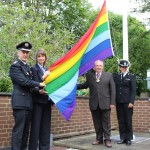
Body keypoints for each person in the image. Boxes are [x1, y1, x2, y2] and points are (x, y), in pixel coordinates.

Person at [9, 42, 46, 150]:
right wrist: (39, 84)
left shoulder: (26, 67)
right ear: (18, 53)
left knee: (25, 132)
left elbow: (30, 85)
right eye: (23, 52)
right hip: (20, 104)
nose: (25, 54)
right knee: (18, 131)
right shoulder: (15, 66)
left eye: (27, 53)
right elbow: (24, 82)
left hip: (28, 104)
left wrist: (39, 91)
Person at [77, 60, 116, 148]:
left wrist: (112, 102)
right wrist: (73, 86)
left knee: (106, 123)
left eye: (100, 65)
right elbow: (84, 85)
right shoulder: (90, 76)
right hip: (94, 103)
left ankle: (107, 139)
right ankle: (99, 139)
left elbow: (113, 90)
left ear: (103, 66)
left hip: (106, 103)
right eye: (97, 65)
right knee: (97, 122)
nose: (98, 67)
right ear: (94, 67)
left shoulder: (109, 75)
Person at [29, 49, 53, 150]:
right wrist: (39, 91)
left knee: (45, 128)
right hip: (37, 101)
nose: (41, 58)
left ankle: (44, 147)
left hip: (47, 102)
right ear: (36, 58)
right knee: (35, 127)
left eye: (43, 56)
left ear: (45, 58)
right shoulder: (33, 69)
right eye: (39, 56)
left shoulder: (48, 69)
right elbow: (32, 85)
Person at [113, 60, 136, 146]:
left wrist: (131, 101)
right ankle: (122, 138)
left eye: (125, 67)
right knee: (121, 121)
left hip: (127, 103)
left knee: (128, 121)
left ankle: (129, 138)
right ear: (120, 67)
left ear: (127, 67)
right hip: (119, 102)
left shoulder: (131, 77)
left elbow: (133, 91)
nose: (124, 68)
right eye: (122, 67)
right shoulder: (116, 76)